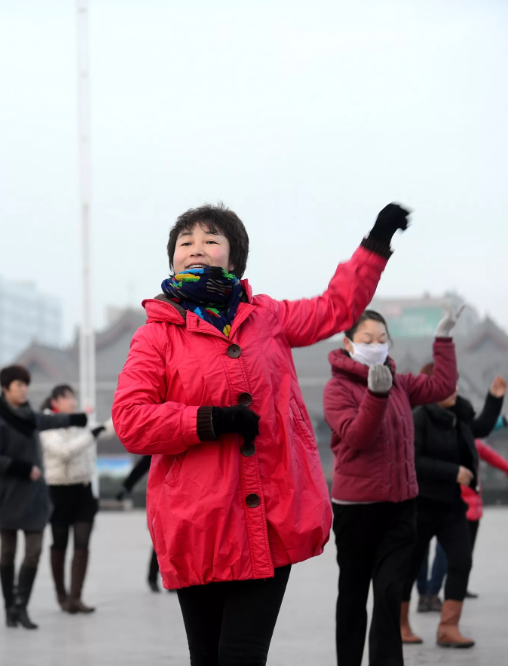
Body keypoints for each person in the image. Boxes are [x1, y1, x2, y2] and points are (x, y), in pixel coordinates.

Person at [112, 202, 410, 665]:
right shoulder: (156, 335)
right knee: (207, 657)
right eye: (184, 243)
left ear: (234, 258)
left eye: (210, 239)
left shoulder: (267, 317)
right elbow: (131, 418)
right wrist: (210, 420)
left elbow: (336, 308)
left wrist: (375, 244)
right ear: (171, 259)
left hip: (267, 519)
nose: (195, 249)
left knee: (242, 655)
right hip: (197, 524)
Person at [322, 308, 459, 666]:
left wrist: (442, 339)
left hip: (401, 508)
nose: (376, 346)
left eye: (383, 340)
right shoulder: (337, 389)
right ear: (349, 344)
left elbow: (442, 387)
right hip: (356, 511)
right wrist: (375, 396)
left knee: (387, 594)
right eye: (368, 340)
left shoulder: (401, 383)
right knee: (353, 596)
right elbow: (357, 436)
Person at [402, 370, 506, 648]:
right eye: (447, 384)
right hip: (420, 505)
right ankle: (400, 624)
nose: (453, 389)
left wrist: (494, 399)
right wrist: (453, 472)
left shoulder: (460, 415)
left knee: (462, 561)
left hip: (451, 506)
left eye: (454, 384)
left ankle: (448, 627)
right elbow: (414, 460)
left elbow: (482, 426)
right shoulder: (420, 417)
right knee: (410, 566)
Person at [0, 366, 86, 630]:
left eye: (25, 385)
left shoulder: (30, 416)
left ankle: (22, 607)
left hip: (34, 498)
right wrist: (23, 468)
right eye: (18, 385)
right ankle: (9, 608)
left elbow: (50, 421)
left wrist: (78, 419)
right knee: (7, 553)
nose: (23, 390)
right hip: (7, 497)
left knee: (34, 552)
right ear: (5, 389)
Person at [417, 412, 508, 610]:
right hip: (458, 507)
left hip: (450, 504)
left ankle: (428, 593)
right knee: (452, 556)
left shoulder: (436, 438)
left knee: (439, 554)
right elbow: (483, 428)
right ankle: (433, 593)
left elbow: (482, 426)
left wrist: (505, 419)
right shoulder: (467, 441)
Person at [40, 384, 112, 614]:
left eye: (73, 398)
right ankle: (61, 596)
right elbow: (63, 451)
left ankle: (76, 597)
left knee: (82, 545)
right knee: (59, 544)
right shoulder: (47, 425)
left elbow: (103, 429)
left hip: (83, 490)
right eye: (68, 398)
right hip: (58, 492)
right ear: (56, 401)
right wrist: (91, 435)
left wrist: (124, 414)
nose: (73, 402)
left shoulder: (80, 422)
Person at [115, 455, 165, 592]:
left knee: (179, 540)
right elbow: (141, 467)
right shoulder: (161, 446)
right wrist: (126, 487)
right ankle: (152, 578)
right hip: (163, 497)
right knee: (161, 540)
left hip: (185, 497)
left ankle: (176, 577)